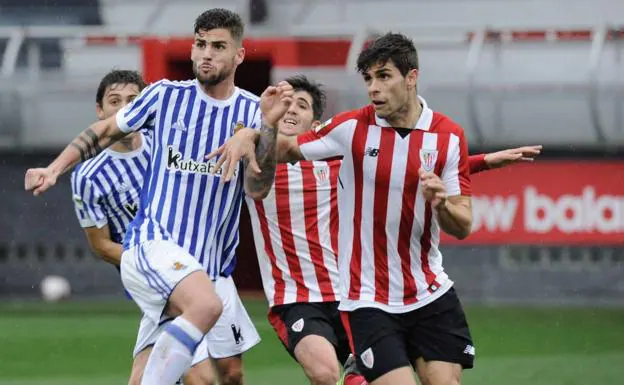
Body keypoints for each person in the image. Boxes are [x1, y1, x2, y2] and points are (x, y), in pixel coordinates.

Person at [25, 8, 293, 385]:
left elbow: (258, 188)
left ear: (239, 55)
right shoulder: (165, 96)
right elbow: (104, 132)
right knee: (202, 351)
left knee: (230, 374)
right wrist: (55, 168)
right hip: (157, 247)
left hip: (213, 268)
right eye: (200, 44)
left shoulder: (253, 111)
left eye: (218, 46)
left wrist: (261, 130)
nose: (206, 54)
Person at [224, 71, 540, 385]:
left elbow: (408, 168)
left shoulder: (336, 160)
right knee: (324, 373)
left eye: (302, 105)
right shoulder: (257, 164)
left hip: (349, 291)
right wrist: (246, 134)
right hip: (295, 295)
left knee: (364, 376)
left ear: (316, 124)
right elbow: (243, 167)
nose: (292, 109)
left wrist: (483, 161)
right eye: (287, 103)